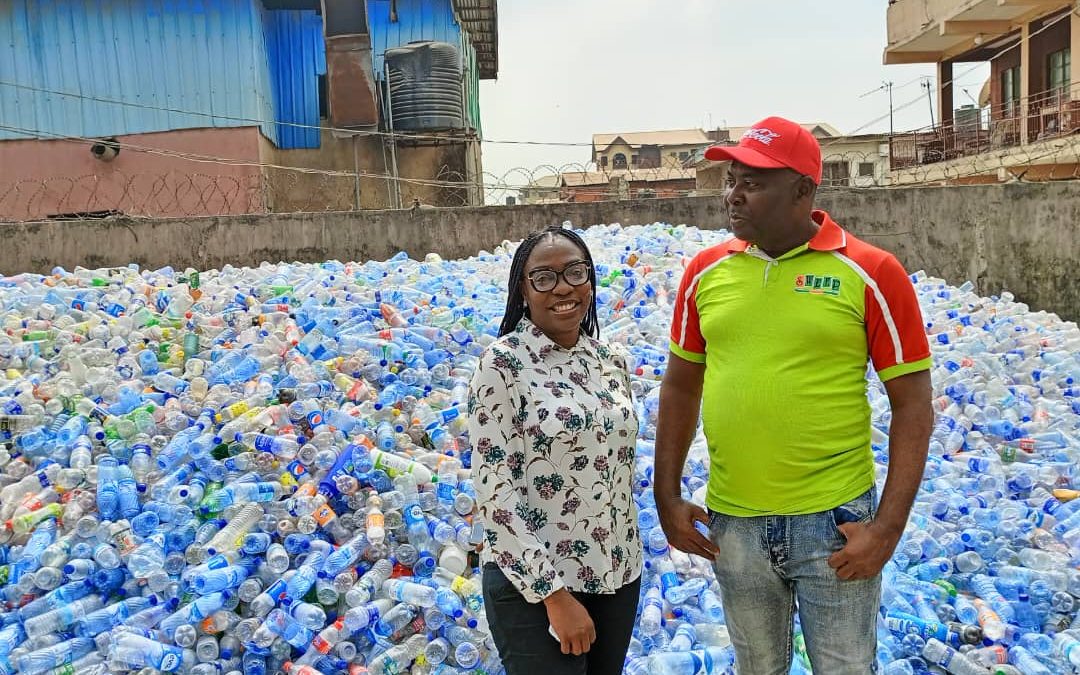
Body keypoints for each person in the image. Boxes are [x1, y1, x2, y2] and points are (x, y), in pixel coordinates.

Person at [654, 116, 934, 674]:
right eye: (733, 179)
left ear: (804, 190)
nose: (734, 195)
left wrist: (887, 529)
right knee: (757, 668)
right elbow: (681, 386)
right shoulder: (705, 273)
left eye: (753, 183)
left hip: (833, 524)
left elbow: (913, 405)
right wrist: (667, 496)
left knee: (846, 668)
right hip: (733, 523)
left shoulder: (871, 272)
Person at [468, 226, 642, 675]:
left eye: (574, 273)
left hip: (617, 574)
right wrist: (554, 594)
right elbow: (494, 493)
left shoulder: (610, 361)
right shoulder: (503, 365)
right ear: (523, 291)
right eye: (543, 278)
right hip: (534, 585)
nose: (562, 287)